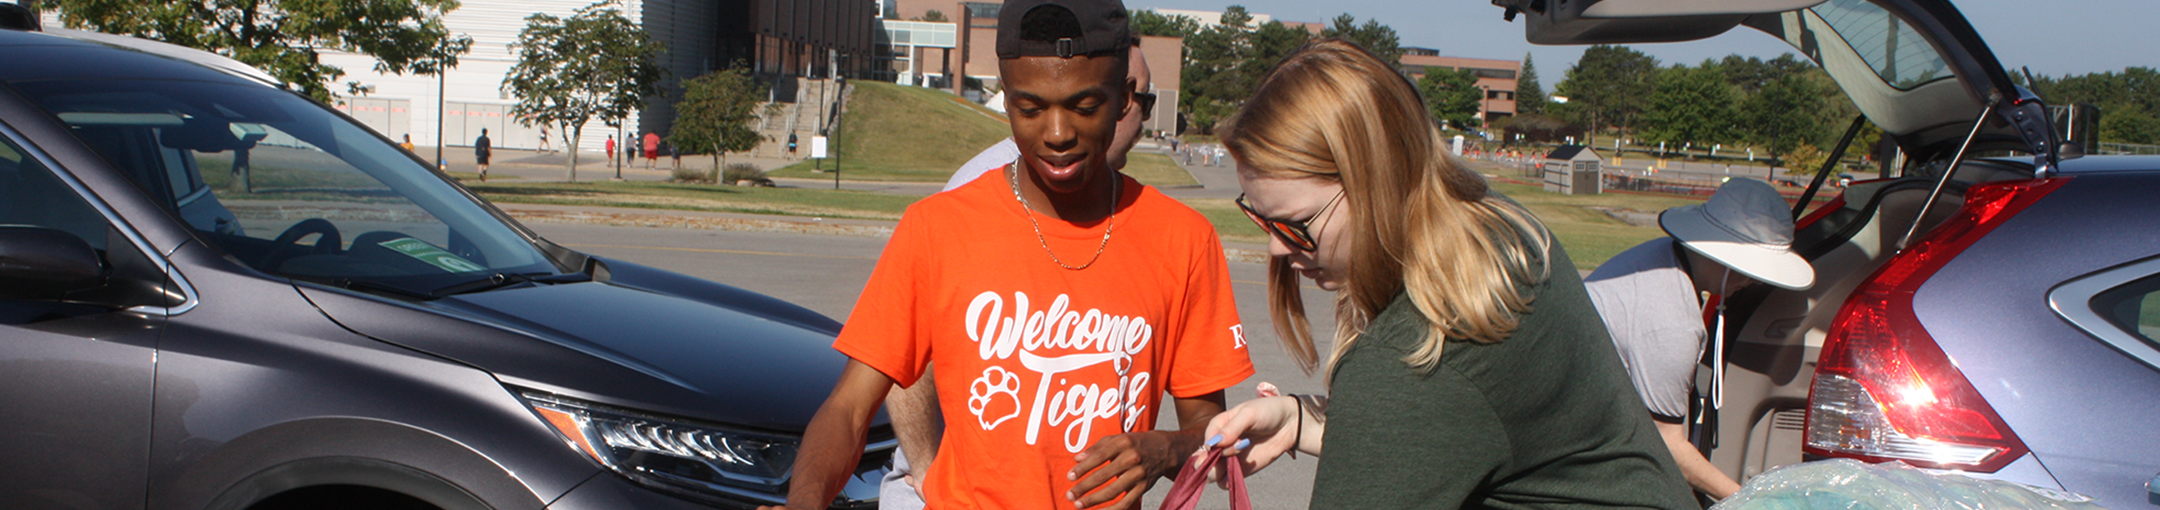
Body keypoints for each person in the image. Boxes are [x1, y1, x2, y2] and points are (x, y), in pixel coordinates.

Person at [759, 2, 1253, 509]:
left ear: (1125, 97)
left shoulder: (1183, 239)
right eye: (1030, 108)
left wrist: (1164, 450)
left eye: (1084, 106)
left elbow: (1212, 435)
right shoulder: (936, 228)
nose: (1057, 133)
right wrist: (805, 500)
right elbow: (847, 408)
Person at [1199, 39, 1694, 510]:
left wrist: (1365, 411)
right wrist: (1302, 418)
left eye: (1296, 225)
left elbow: (1421, 399)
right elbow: (1456, 428)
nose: (1278, 247)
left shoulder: (1408, 356)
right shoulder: (1497, 231)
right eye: (1262, 219)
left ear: (1379, 183)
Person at [889, 34, 1160, 510]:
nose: (1139, 115)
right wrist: (928, 473)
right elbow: (904, 359)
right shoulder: (993, 190)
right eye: (1141, 98)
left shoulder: (1121, 206)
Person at [1582, 178, 1815, 501]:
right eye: (1749, 271)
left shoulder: (1659, 257)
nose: (1750, 282)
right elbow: (1668, 447)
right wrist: (1748, 502)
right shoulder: (1673, 324)